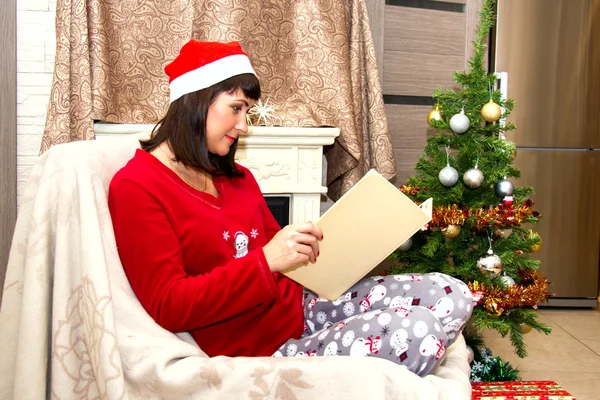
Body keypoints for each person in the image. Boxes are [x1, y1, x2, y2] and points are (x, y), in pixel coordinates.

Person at [108, 39, 474, 377]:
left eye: (247, 112)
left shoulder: (237, 177)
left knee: (451, 294)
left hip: (303, 305)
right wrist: (266, 261)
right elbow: (168, 304)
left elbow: (282, 256)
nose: (243, 126)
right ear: (196, 102)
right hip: (262, 349)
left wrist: (322, 243)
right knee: (417, 330)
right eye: (236, 109)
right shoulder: (136, 188)